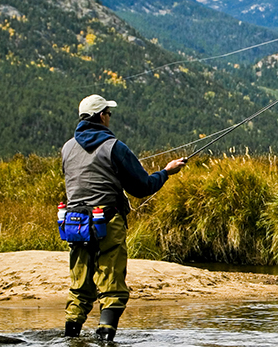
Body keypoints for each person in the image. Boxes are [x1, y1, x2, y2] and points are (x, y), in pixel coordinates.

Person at [61, 94, 185, 341]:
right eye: (109, 113)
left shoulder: (66, 148)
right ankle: (106, 339)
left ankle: (70, 338)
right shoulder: (114, 146)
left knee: (80, 286)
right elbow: (142, 187)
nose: (110, 118)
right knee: (111, 282)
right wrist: (167, 172)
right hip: (106, 222)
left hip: (74, 224)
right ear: (100, 116)